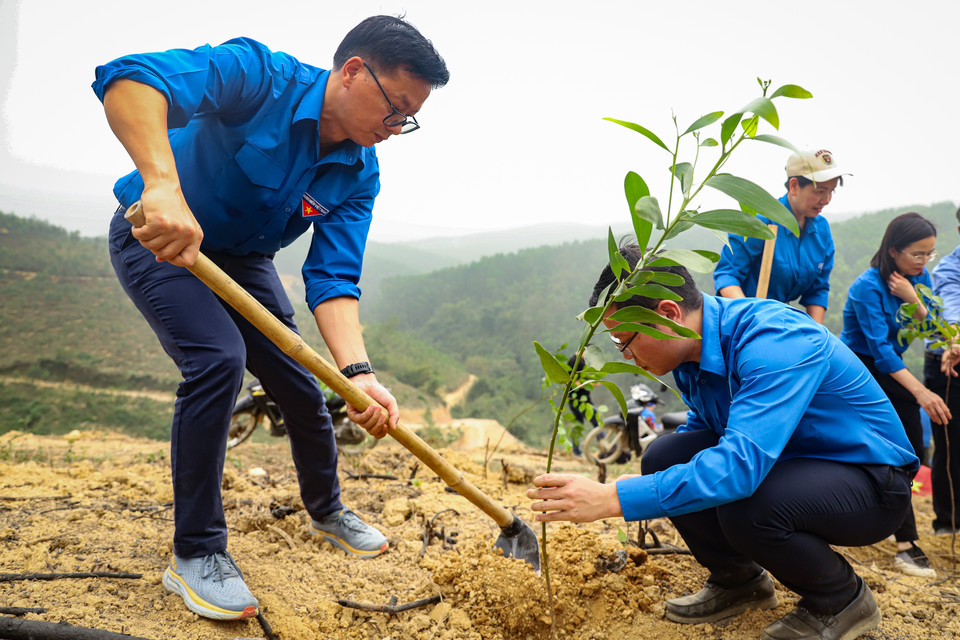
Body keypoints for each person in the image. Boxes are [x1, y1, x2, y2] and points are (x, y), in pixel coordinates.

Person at [91, 16, 449, 621]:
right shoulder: (260, 77)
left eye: (408, 119)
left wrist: (358, 374)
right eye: (395, 109)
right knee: (218, 360)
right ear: (353, 71)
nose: (395, 129)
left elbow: (332, 278)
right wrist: (161, 185)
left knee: (303, 387)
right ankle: (196, 553)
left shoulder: (359, 171)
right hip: (158, 237)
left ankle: (327, 510)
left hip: (244, 261)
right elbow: (131, 80)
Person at [528, 244, 918, 640]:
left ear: (668, 314)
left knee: (747, 505)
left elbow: (738, 470)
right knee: (665, 457)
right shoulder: (691, 355)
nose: (626, 357)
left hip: (869, 482)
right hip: (790, 463)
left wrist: (615, 497)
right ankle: (740, 581)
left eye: (624, 341)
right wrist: (654, 485)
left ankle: (842, 598)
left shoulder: (773, 341)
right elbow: (706, 429)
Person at [840, 212, 949, 577]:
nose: (924, 261)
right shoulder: (866, 287)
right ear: (893, 250)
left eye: (929, 254)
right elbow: (881, 352)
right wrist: (922, 393)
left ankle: (892, 524)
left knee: (914, 449)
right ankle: (906, 544)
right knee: (890, 452)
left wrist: (912, 297)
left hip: (893, 369)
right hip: (860, 370)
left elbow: (931, 324)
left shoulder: (918, 279)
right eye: (917, 254)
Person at [713, 148, 849, 323]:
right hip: (741, 321)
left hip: (778, 323)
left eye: (831, 191)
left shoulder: (821, 231)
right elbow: (727, 275)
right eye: (820, 191)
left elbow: (818, 289)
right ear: (794, 186)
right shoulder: (759, 222)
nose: (827, 199)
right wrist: (751, 320)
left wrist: (816, 333)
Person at [923, 205, 960, 536]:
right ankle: (947, 523)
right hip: (946, 363)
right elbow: (952, 310)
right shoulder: (949, 269)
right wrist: (957, 339)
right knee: (950, 445)